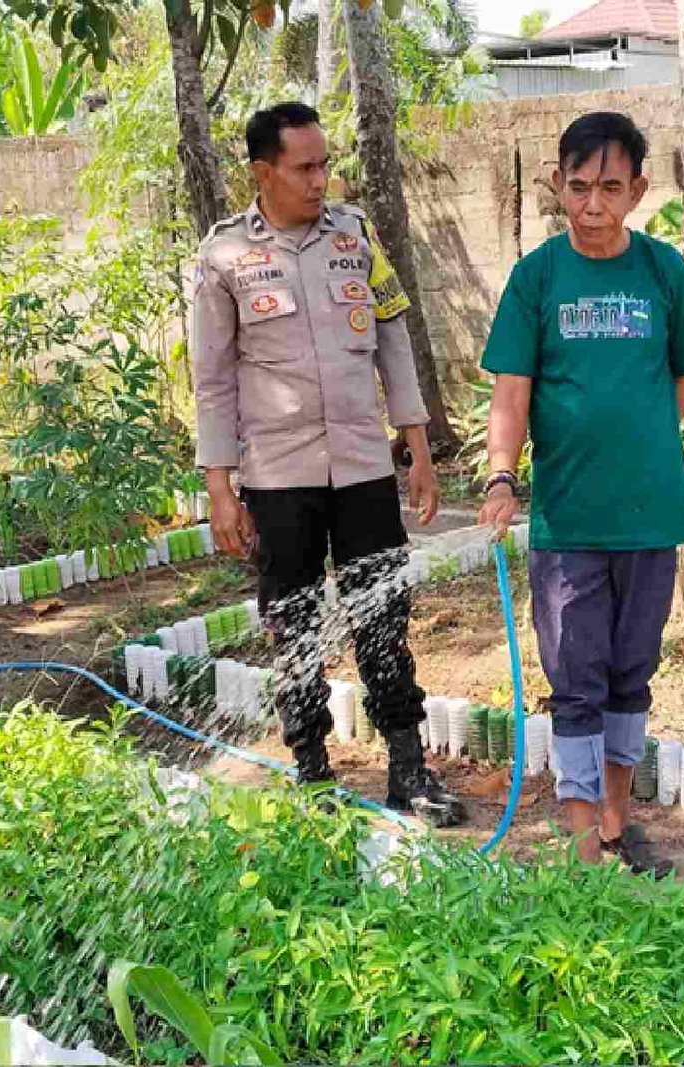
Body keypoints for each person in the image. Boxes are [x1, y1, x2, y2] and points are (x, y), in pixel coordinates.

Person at [191, 101, 464, 827]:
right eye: (304, 168)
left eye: (325, 165)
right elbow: (212, 381)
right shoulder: (224, 257)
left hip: (363, 469)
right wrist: (220, 489)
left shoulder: (356, 236)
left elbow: (393, 340)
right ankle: (312, 775)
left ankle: (408, 770)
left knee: (385, 622)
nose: (320, 181)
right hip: (278, 479)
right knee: (295, 627)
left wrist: (417, 447)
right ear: (263, 172)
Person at [477, 112, 684, 874]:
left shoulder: (663, 271)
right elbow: (511, 392)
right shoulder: (537, 277)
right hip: (569, 520)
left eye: (610, 188)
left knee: (629, 678)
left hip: (651, 515)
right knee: (576, 685)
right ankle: (584, 853)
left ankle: (617, 826)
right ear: (557, 184)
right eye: (578, 187)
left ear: (638, 191)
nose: (592, 205)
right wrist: (502, 474)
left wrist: (639, 431)